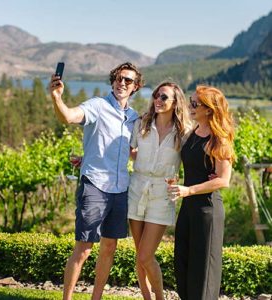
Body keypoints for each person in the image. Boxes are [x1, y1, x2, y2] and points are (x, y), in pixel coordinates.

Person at [49, 62, 144, 300]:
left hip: (121, 188)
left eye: (128, 80)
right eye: (119, 78)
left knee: (109, 248)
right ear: (113, 81)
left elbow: (130, 152)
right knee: (84, 248)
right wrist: (57, 98)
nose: (122, 83)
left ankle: (96, 298)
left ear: (135, 87)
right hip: (95, 185)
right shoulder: (97, 106)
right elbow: (69, 117)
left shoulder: (133, 118)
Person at [168, 85, 236, 300]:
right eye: (191, 101)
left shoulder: (219, 139)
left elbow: (223, 180)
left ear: (209, 109)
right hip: (188, 207)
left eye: (195, 104)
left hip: (208, 210)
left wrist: (189, 190)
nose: (190, 106)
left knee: (203, 270)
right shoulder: (192, 133)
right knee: (183, 263)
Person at [128, 81, 191, 300]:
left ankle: (160, 298)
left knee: (146, 256)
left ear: (176, 103)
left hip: (162, 195)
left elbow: (195, 158)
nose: (158, 100)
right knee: (140, 255)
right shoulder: (142, 123)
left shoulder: (184, 132)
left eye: (164, 97)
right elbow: (124, 149)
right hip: (137, 189)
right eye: (156, 95)